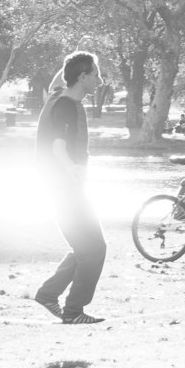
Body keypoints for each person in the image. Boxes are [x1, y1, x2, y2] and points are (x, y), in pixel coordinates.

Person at [33, 51, 107, 325]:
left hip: (64, 188)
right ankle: (74, 310)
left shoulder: (58, 95)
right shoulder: (64, 106)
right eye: (96, 74)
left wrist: (74, 54)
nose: (100, 79)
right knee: (94, 249)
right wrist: (72, 170)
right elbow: (58, 146)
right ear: (83, 77)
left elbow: (57, 81)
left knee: (85, 247)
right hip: (65, 188)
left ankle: (48, 294)